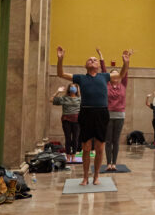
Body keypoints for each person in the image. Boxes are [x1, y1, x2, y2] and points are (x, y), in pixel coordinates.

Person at [57, 47, 129, 185]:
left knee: (100, 148)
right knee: (86, 148)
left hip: (101, 113)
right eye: (90, 59)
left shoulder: (104, 76)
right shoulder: (81, 78)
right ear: (86, 65)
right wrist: (60, 59)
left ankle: (96, 176)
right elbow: (60, 74)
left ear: (98, 66)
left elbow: (120, 75)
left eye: (95, 59)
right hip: (86, 112)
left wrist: (125, 63)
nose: (93, 60)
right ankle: (85, 177)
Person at [98, 48, 131, 171]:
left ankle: (114, 163)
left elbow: (125, 71)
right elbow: (104, 70)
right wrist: (101, 57)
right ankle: (108, 163)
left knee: (116, 140)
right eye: (113, 74)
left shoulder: (123, 84)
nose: (116, 75)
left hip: (120, 116)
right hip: (108, 115)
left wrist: (126, 61)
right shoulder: (106, 84)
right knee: (108, 141)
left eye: (118, 74)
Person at [51, 83, 81, 162]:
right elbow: (51, 99)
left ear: (77, 89)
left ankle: (73, 156)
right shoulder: (64, 98)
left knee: (75, 139)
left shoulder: (80, 98)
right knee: (68, 138)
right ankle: (68, 156)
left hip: (77, 121)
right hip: (66, 120)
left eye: (75, 87)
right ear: (69, 89)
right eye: (71, 87)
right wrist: (58, 91)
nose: (73, 89)